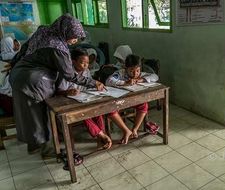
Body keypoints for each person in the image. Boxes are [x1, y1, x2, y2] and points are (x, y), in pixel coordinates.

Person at [9, 14, 105, 157]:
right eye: (73, 36)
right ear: (65, 30)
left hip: (19, 75)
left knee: (29, 114)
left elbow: (24, 49)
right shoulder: (58, 47)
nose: (75, 40)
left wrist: (13, 64)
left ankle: (34, 146)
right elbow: (70, 75)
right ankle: (48, 150)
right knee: (45, 115)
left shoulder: (44, 31)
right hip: (34, 81)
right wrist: (93, 82)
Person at [57, 49, 132, 146]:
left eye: (87, 63)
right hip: (71, 102)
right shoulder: (66, 74)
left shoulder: (86, 71)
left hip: (85, 98)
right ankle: (102, 136)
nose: (85, 65)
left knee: (98, 110)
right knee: (84, 113)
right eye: (82, 63)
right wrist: (68, 92)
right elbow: (58, 92)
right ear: (73, 62)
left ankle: (102, 135)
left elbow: (89, 83)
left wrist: (97, 86)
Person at [106, 54, 159, 138]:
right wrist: (124, 83)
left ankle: (135, 129)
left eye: (137, 70)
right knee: (110, 110)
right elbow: (108, 81)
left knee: (144, 105)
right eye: (131, 70)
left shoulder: (140, 75)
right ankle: (126, 130)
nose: (135, 74)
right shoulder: (120, 73)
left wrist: (142, 79)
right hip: (119, 101)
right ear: (125, 68)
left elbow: (155, 76)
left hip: (133, 100)